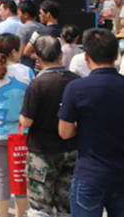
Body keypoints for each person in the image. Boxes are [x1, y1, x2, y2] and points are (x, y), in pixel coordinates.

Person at [58, 28, 124, 216]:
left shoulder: (76, 88)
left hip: (90, 174)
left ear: (86, 56)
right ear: (116, 55)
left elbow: (64, 132)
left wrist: (81, 125)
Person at [19, 36, 79, 217]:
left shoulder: (38, 84)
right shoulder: (76, 80)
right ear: (60, 55)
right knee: (67, 203)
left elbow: (26, 121)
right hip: (72, 148)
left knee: (39, 205)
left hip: (42, 152)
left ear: (36, 56)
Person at [0, 33, 34, 217]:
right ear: (13, 51)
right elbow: (32, 101)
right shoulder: (27, 72)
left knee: (1, 179)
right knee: (20, 177)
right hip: (21, 134)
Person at [25, 0, 63, 65]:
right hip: (59, 67)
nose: (39, 15)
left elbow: (26, 51)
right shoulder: (63, 32)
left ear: (48, 14)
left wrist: (37, 56)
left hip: (41, 68)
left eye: (41, 13)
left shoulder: (39, 33)